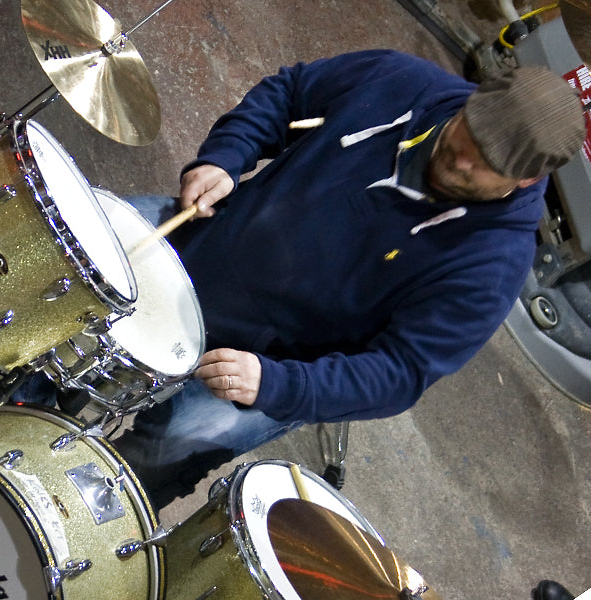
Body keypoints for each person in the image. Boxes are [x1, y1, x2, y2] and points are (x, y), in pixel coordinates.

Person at [104, 49, 586, 508]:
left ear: (524, 181)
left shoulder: (494, 263)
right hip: (208, 246)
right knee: (77, 267)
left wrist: (277, 385)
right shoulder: (401, 80)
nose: (463, 159)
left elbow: (400, 372)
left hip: (276, 363)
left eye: (487, 165)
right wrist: (225, 156)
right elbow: (290, 92)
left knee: (154, 459)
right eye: (470, 135)